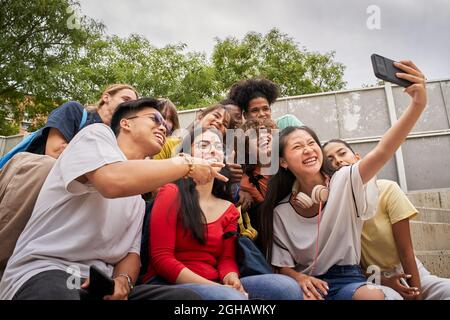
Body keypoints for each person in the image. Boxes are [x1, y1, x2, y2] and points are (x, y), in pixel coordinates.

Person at [0, 98, 226, 300]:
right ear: (126, 123)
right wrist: (186, 164)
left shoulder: (137, 199)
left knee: (187, 299)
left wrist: (124, 281)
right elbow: (110, 181)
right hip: (48, 272)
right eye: (154, 118)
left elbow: (131, 255)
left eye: (165, 125)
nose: (163, 126)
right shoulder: (95, 135)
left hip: (102, 287)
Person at [259, 60, 428, 300]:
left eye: (311, 144)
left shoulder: (344, 181)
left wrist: (418, 104)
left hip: (350, 278)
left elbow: (382, 151)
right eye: (297, 147)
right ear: (283, 162)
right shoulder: (281, 212)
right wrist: (301, 278)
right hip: (307, 284)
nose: (308, 150)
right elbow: (282, 264)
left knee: (371, 296)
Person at [142, 127, 303, 300]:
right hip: (170, 284)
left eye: (218, 147)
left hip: (217, 282)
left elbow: (226, 258)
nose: (213, 150)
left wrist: (231, 277)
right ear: (187, 155)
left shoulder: (228, 208)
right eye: (204, 145)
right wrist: (219, 288)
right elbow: (161, 259)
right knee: (231, 299)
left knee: (286, 287)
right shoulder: (170, 192)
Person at [323, 138, 450, 300]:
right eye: (330, 159)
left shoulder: (387, 189)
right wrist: (385, 281)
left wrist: (416, 292)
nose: (338, 160)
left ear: (357, 157)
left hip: (410, 271)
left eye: (342, 153)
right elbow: (347, 269)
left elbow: (406, 251)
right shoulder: (334, 209)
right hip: (372, 279)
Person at [27, 83, 139, 159]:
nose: (129, 106)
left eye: (133, 105)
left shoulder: (116, 136)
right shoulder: (74, 110)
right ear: (106, 97)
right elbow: (54, 152)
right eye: (125, 99)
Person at [227, 78, 304, 130]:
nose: (262, 114)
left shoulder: (288, 122)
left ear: (270, 110)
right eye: (255, 110)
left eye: (265, 109)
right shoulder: (245, 138)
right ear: (245, 115)